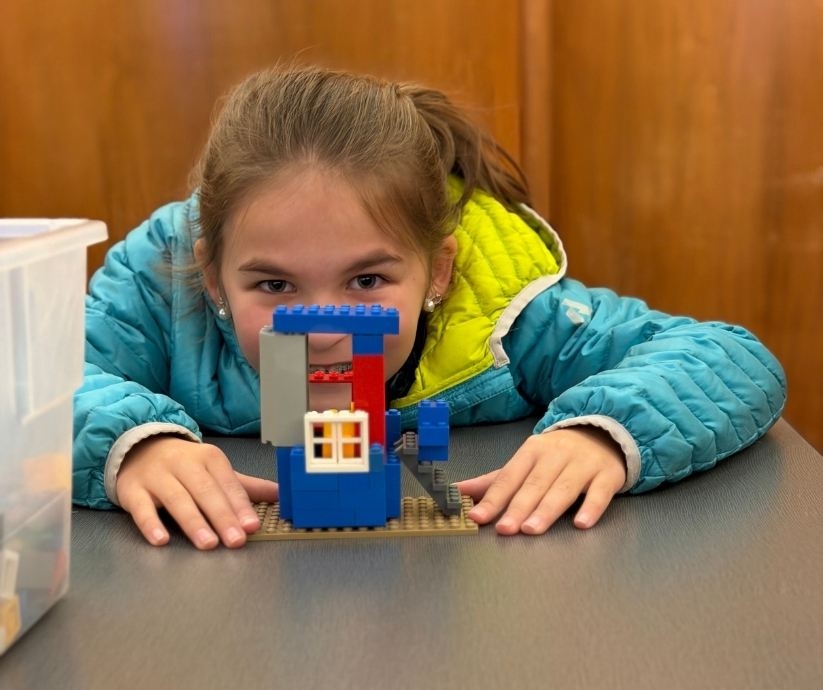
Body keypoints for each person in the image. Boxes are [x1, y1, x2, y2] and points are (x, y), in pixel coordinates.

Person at [74, 64, 786, 550]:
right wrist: (133, 444)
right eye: (275, 287)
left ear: (437, 269)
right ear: (211, 272)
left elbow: (729, 358)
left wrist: (601, 433)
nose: (324, 330)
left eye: (365, 282)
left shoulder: (502, 308)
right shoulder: (160, 283)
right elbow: (36, 385)